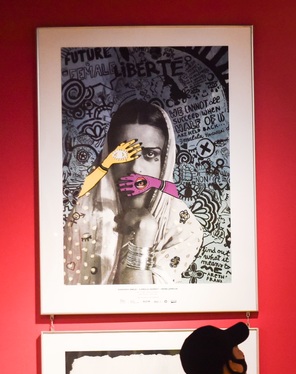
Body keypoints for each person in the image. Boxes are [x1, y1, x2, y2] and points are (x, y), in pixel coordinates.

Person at [64, 98, 202, 285]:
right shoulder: (84, 215)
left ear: (165, 161)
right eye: (124, 154)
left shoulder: (182, 226)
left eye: (150, 154)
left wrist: (143, 235)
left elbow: (146, 300)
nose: (136, 168)